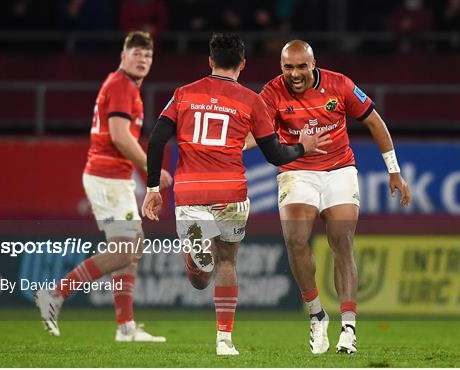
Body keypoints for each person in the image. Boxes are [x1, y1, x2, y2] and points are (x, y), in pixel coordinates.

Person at [141, 33, 330, 355]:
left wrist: (152, 188)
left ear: (210, 61)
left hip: (191, 192)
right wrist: (303, 146)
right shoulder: (251, 100)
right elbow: (274, 155)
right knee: (227, 261)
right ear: (242, 64)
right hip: (232, 192)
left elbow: (157, 140)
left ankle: (196, 255)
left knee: (199, 279)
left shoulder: (184, 95)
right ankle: (225, 340)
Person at [258, 40, 411, 354]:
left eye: (302, 66)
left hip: (339, 170)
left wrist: (393, 170)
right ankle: (316, 315)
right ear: (281, 67)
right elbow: (254, 134)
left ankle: (349, 327)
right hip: (296, 170)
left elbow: (374, 121)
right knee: (296, 239)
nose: (295, 74)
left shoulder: (340, 85)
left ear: (313, 64)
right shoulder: (272, 93)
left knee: (341, 241)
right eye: (288, 67)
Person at [35, 31, 172, 342]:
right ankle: (55, 295)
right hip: (107, 177)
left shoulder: (124, 86)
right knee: (127, 249)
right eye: (136, 54)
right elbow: (120, 137)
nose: (143, 60)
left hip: (114, 178)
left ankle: (125, 327)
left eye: (147, 56)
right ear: (123, 56)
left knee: (131, 251)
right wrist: (152, 170)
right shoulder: (122, 86)